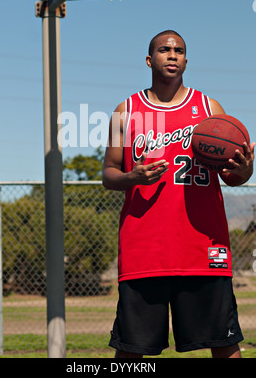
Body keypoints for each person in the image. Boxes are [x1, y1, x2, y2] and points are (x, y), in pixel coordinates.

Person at [102, 30, 255, 359]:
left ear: (186, 60)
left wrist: (244, 171)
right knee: (131, 350)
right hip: (144, 250)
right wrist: (131, 176)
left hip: (203, 247)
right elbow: (109, 174)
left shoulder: (208, 106)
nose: (172, 55)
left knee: (225, 344)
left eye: (179, 51)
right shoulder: (126, 110)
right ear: (149, 59)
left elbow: (231, 175)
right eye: (164, 50)